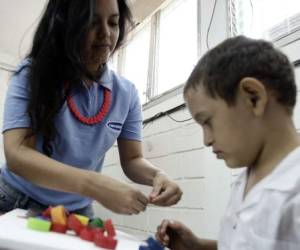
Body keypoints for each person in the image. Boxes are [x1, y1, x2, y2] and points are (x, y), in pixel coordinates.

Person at [0, 0, 182, 217]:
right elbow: (17, 154)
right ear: (66, 25)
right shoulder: (32, 74)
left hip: (76, 211)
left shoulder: (127, 93)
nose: (106, 33)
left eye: (113, 23)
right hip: (16, 198)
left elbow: (133, 159)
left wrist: (157, 176)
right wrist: (95, 185)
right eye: (92, 23)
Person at [156, 36, 300, 249]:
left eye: (207, 122)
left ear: (253, 98)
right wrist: (197, 246)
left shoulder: (294, 190)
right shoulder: (246, 178)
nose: (206, 140)